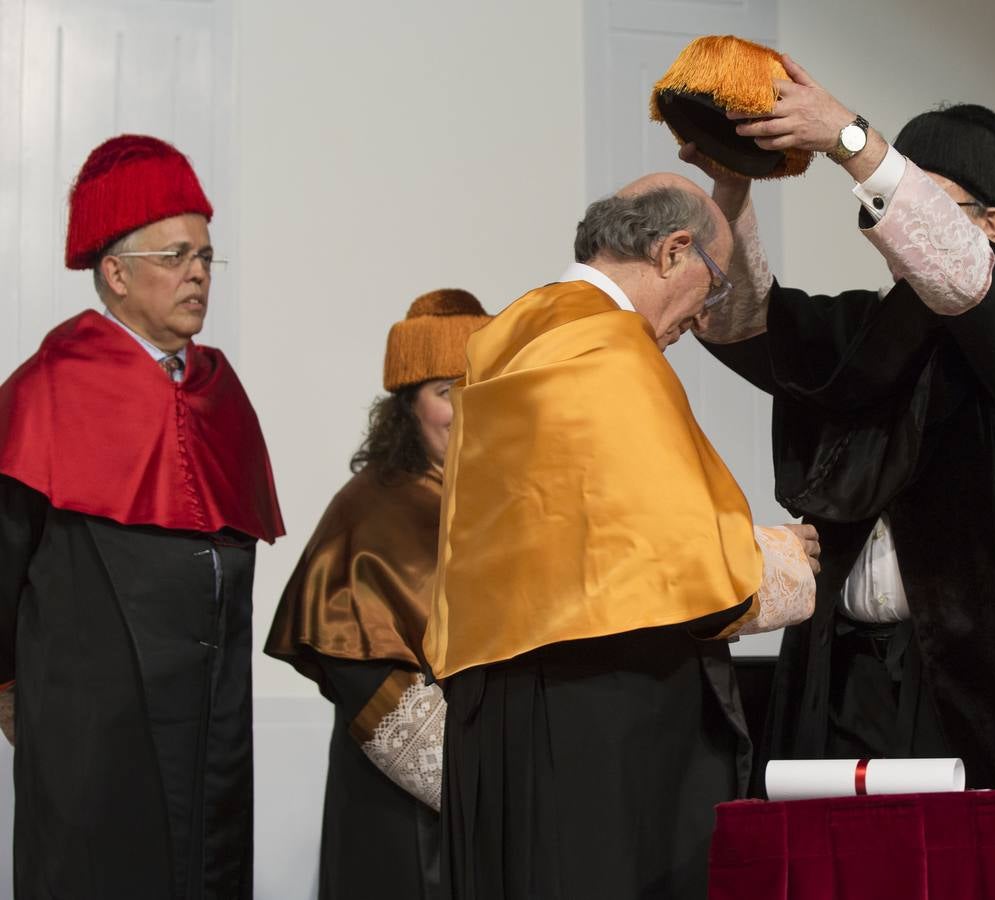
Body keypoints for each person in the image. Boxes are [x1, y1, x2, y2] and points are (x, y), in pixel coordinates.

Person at [690, 56, 995, 790]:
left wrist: (848, 140)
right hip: (843, 666)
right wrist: (731, 189)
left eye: (921, 198)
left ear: (990, 223)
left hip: (981, 667)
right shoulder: (868, 325)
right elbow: (740, 324)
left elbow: (961, 276)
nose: (886, 223)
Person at [424, 173, 820, 899]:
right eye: (715, 284)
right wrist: (778, 556)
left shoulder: (517, 326)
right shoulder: (610, 347)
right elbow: (683, 558)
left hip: (501, 693)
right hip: (599, 703)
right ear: (673, 251)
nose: (703, 315)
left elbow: (579, 524)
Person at [0, 134, 284, 897]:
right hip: (96, 729)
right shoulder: (44, 392)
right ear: (116, 274)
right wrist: (7, 689)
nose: (197, 273)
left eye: (205, 256)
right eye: (175, 255)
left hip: (211, 721)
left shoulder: (220, 393)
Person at [266, 289, 492, 899]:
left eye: (479, 387)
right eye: (446, 392)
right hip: (406, 806)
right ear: (408, 406)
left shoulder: (505, 505)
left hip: (496, 790)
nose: (465, 407)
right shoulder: (369, 509)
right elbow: (356, 666)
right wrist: (482, 787)